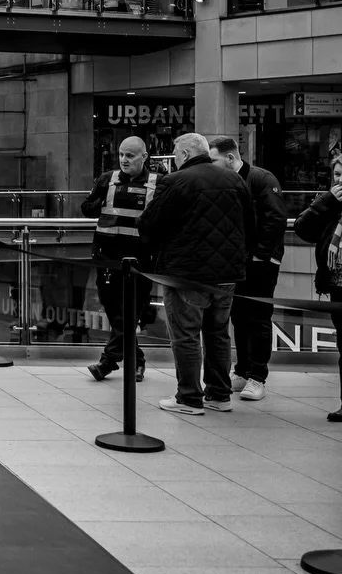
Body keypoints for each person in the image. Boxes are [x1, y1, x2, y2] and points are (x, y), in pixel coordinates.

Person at [138, 131, 255, 416]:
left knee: (186, 335)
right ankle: (219, 394)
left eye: (176, 154)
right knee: (218, 334)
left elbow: (149, 224)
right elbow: (250, 225)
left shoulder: (175, 181)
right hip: (227, 273)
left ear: (185, 154)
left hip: (185, 273)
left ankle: (189, 397)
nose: (175, 159)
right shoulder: (234, 179)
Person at [209, 136, 288, 402]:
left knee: (259, 317)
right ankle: (243, 370)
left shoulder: (262, 179)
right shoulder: (226, 181)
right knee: (238, 316)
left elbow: (276, 219)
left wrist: (260, 255)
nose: (211, 165)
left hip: (260, 262)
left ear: (230, 158)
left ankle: (257, 376)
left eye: (214, 160)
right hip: (236, 261)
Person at [80, 135, 160, 383]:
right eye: (121, 155)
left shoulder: (158, 183)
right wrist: (98, 201)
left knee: (130, 313)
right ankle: (137, 360)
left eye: (130, 155)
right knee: (117, 314)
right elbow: (86, 209)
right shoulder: (107, 179)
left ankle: (108, 361)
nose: (124, 160)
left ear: (144, 157)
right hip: (107, 260)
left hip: (140, 262)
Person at [293, 152, 342, 423]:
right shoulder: (329, 204)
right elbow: (303, 229)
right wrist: (326, 202)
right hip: (337, 285)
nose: (340, 180)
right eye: (337, 175)